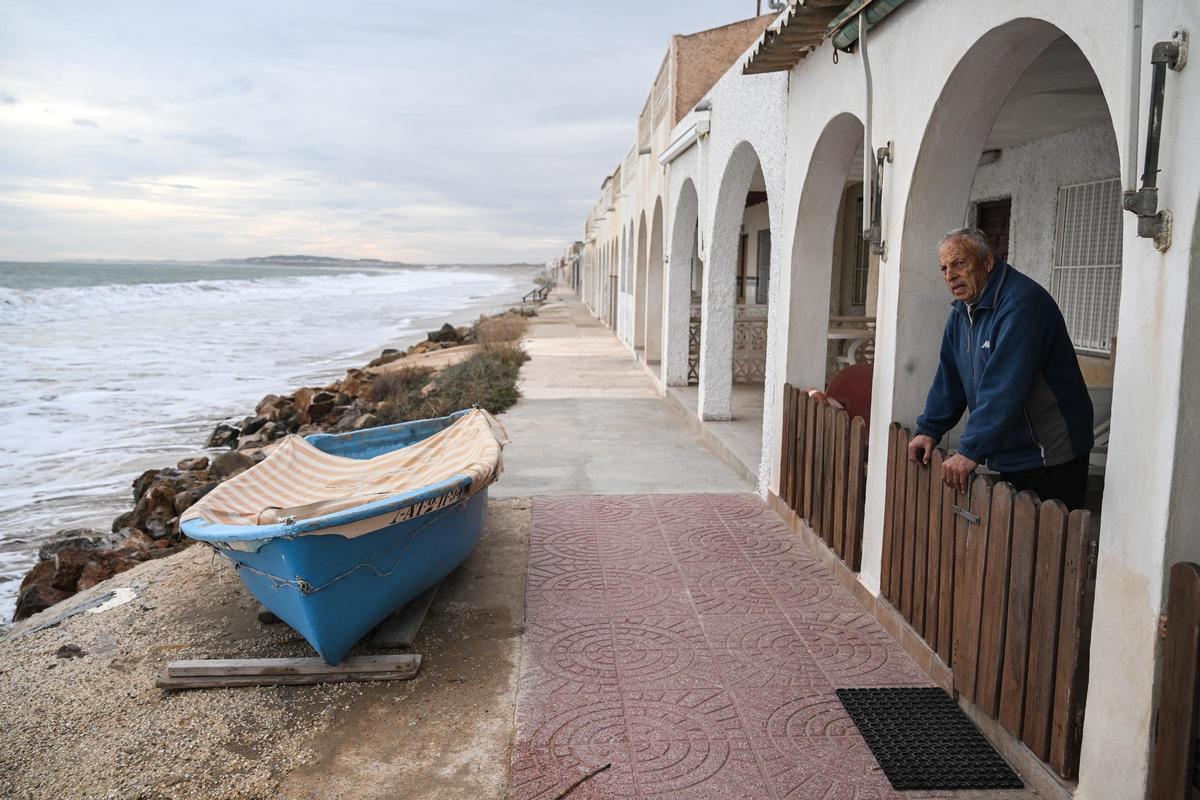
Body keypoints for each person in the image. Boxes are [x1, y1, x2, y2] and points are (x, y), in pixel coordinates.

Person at [907, 228, 1094, 510]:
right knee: (1014, 532)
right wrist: (930, 429)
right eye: (944, 268)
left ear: (987, 262)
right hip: (1012, 447)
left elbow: (1005, 386)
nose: (950, 275)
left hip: (1049, 449)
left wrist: (971, 449)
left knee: (1047, 533)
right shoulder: (962, 312)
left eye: (959, 263)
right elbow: (950, 379)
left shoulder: (1021, 304)